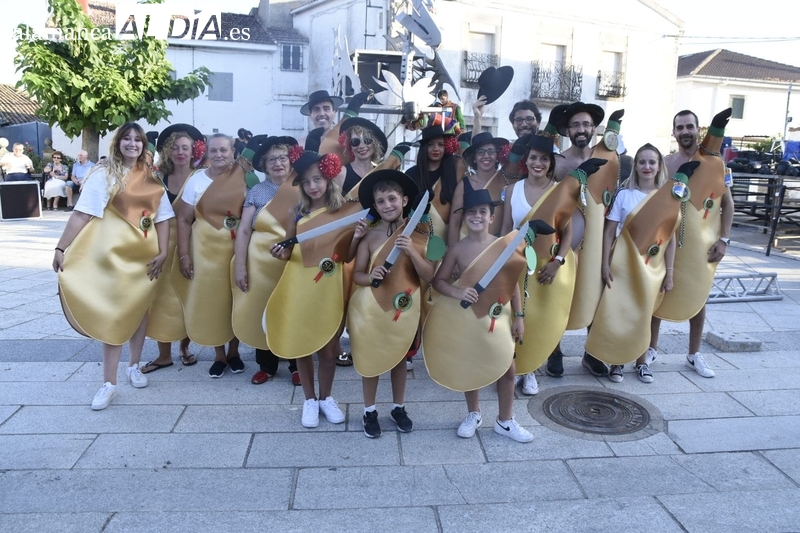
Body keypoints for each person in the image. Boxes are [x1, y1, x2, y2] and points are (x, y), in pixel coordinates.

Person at [52, 123, 172, 410]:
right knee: (114, 313)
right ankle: (109, 383)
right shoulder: (104, 175)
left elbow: (163, 218)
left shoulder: (153, 180)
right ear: (117, 143)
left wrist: (165, 251)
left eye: (138, 140)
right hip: (114, 258)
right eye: (127, 139)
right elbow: (82, 215)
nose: (132, 144)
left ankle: (134, 365)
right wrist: (61, 246)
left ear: (144, 145)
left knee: (140, 310)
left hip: (144, 259)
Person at [426, 186, 532, 443]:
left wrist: (519, 316)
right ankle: (474, 413)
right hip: (468, 318)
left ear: (492, 217)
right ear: (463, 218)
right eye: (471, 212)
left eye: (482, 212)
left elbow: (514, 283)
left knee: (508, 368)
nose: (477, 216)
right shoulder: (456, 250)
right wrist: (457, 291)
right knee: (470, 363)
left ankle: (505, 420)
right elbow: (438, 282)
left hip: (499, 315)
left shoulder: (503, 246)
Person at [265, 150, 362, 428]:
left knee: (329, 348)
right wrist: (278, 253)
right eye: (306, 182)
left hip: (330, 284)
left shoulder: (345, 211)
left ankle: (326, 397)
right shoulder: (294, 212)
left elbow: (349, 255)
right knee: (302, 343)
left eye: (317, 179)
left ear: (328, 180)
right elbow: (287, 250)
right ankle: (309, 399)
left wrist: (358, 236)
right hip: (299, 282)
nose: (312, 186)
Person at [349, 170, 433, 437]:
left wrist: (410, 250)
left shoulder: (419, 234)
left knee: (399, 359)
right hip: (371, 309)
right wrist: (370, 276)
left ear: (405, 200)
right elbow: (357, 274)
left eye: (392, 199)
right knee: (371, 358)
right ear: (374, 206)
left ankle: (398, 406)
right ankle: (369, 410)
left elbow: (428, 275)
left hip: (404, 309)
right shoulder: (370, 237)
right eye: (381, 201)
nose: (387, 205)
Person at [652, 109, 735, 378]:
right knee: (659, 291)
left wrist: (723, 239)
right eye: (680, 127)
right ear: (674, 132)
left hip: (703, 244)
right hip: (669, 241)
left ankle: (694, 353)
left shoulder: (716, 163)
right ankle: (651, 348)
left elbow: (729, 203)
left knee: (699, 297)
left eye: (690, 126)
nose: (685, 131)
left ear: (698, 130)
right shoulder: (665, 164)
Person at [592, 144, 677, 383]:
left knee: (645, 314)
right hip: (623, 265)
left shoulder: (667, 197)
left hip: (653, 267)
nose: (647, 167)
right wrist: (604, 264)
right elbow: (609, 232)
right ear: (636, 166)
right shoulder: (624, 195)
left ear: (659, 166)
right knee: (622, 313)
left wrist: (669, 272)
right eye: (642, 162)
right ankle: (617, 362)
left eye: (652, 162)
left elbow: (670, 240)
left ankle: (641, 362)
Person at [173, 133, 245, 378]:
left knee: (235, 298)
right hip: (204, 250)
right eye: (213, 151)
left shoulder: (244, 176)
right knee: (214, 299)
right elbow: (183, 219)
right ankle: (219, 355)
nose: (219, 155)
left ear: (232, 151)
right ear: (207, 153)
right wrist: (184, 255)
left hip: (237, 247)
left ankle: (234, 352)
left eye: (223, 150)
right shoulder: (196, 180)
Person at [233, 136, 302, 386]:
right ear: (264, 164)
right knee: (261, 308)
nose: (277, 163)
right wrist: (240, 266)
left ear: (290, 160)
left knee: (292, 310)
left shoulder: (302, 187)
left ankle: (296, 365)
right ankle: (267, 365)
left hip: (292, 261)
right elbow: (243, 231)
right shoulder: (257, 191)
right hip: (261, 263)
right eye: (271, 159)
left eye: (282, 157)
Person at [141, 124, 205, 374]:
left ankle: (184, 347)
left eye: (185, 148)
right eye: (175, 148)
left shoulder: (202, 177)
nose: (180, 152)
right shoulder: (157, 178)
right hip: (163, 243)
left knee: (188, 294)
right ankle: (163, 354)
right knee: (162, 299)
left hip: (193, 243)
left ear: (193, 151)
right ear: (168, 151)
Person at [448, 132, 510, 243]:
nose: (486, 156)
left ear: (497, 156)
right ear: (474, 158)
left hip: (496, 245)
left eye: (491, 151)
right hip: (467, 247)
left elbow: (508, 222)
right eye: (481, 152)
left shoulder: (506, 182)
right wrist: (453, 253)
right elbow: (454, 223)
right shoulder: (464, 185)